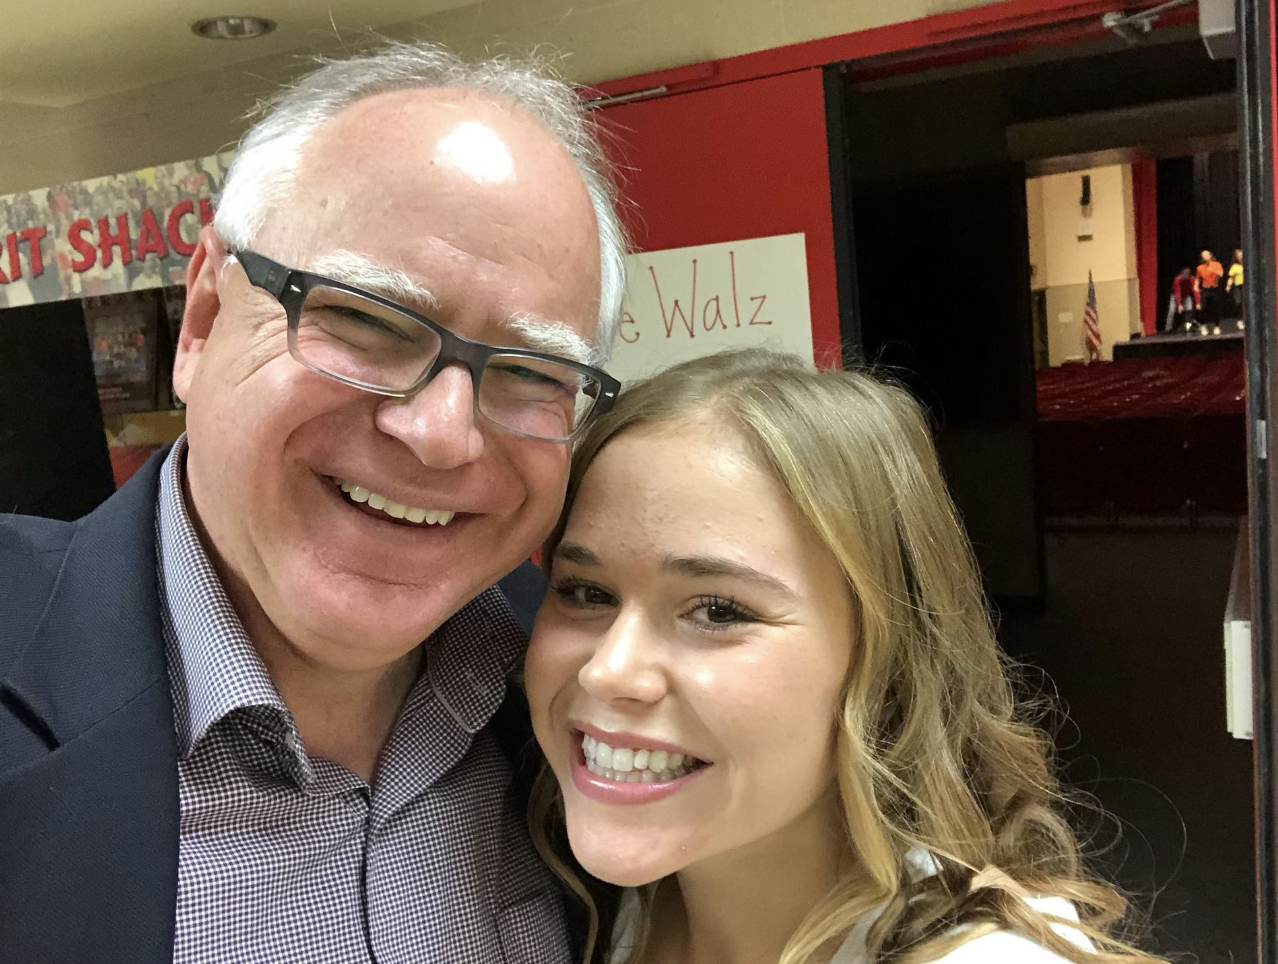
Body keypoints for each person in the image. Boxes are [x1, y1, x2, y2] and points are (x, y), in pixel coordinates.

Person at [0, 41, 627, 964]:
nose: (441, 432)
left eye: (533, 373)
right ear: (205, 317)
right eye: (368, 319)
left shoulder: (587, 703)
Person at [525, 348, 1169, 964]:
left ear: (886, 658)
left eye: (718, 610)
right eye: (586, 592)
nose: (607, 670)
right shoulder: (576, 913)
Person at [1195, 249, 1224, 334]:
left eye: (1207, 254)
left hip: (1214, 288)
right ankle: (1203, 326)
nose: (1205, 256)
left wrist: (1213, 269)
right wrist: (1196, 285)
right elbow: (1197, 279)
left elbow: (1221, 274)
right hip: (1205, 289)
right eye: (1203, 255)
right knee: (1202, 308)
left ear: (1210, 255)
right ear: (1202, 258)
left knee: (1215, 307)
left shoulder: (1217, 264)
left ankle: (1217, 326)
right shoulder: (1200, 267)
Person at [1166, 266, 1197, 332]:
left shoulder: (1192, 279)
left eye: (1187, 274)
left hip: (1186, 295)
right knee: (1172, 311)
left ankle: (1188, 327)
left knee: (1189, 310)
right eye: (1184, 274)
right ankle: (1168, 328)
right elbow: (1177, 292)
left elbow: (1195, 291)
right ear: (1181, 274)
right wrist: (1179, 304)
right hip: (1175, 296)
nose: (1186, 275)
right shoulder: (1177, 279)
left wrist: (1197, 302)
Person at [1226, 248, 1245, 328]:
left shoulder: (1247, 265)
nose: (1241, 257)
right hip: (1238, 286)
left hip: (1246, 286)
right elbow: (1231, 277)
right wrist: (1228, 286)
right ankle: (1239, 319)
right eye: (1239, 256)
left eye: (1242, 255)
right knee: (1238, 303)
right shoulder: (1234, 266)